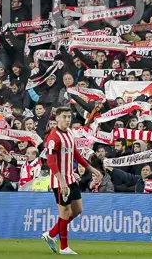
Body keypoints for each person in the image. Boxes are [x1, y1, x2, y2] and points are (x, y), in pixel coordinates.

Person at [41, 106, 99, 255]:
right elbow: (51, 162)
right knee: (65, 213)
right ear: (57, 118)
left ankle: (51, 234)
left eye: (69, 117)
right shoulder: (53, 138)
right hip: (59, 181)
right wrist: (61, 181)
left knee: (78, 210)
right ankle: (64, 247)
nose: (67, 119)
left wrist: (91, 169)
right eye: (64, 117)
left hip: (71, 178)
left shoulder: (70, 133)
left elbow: (75, 154)